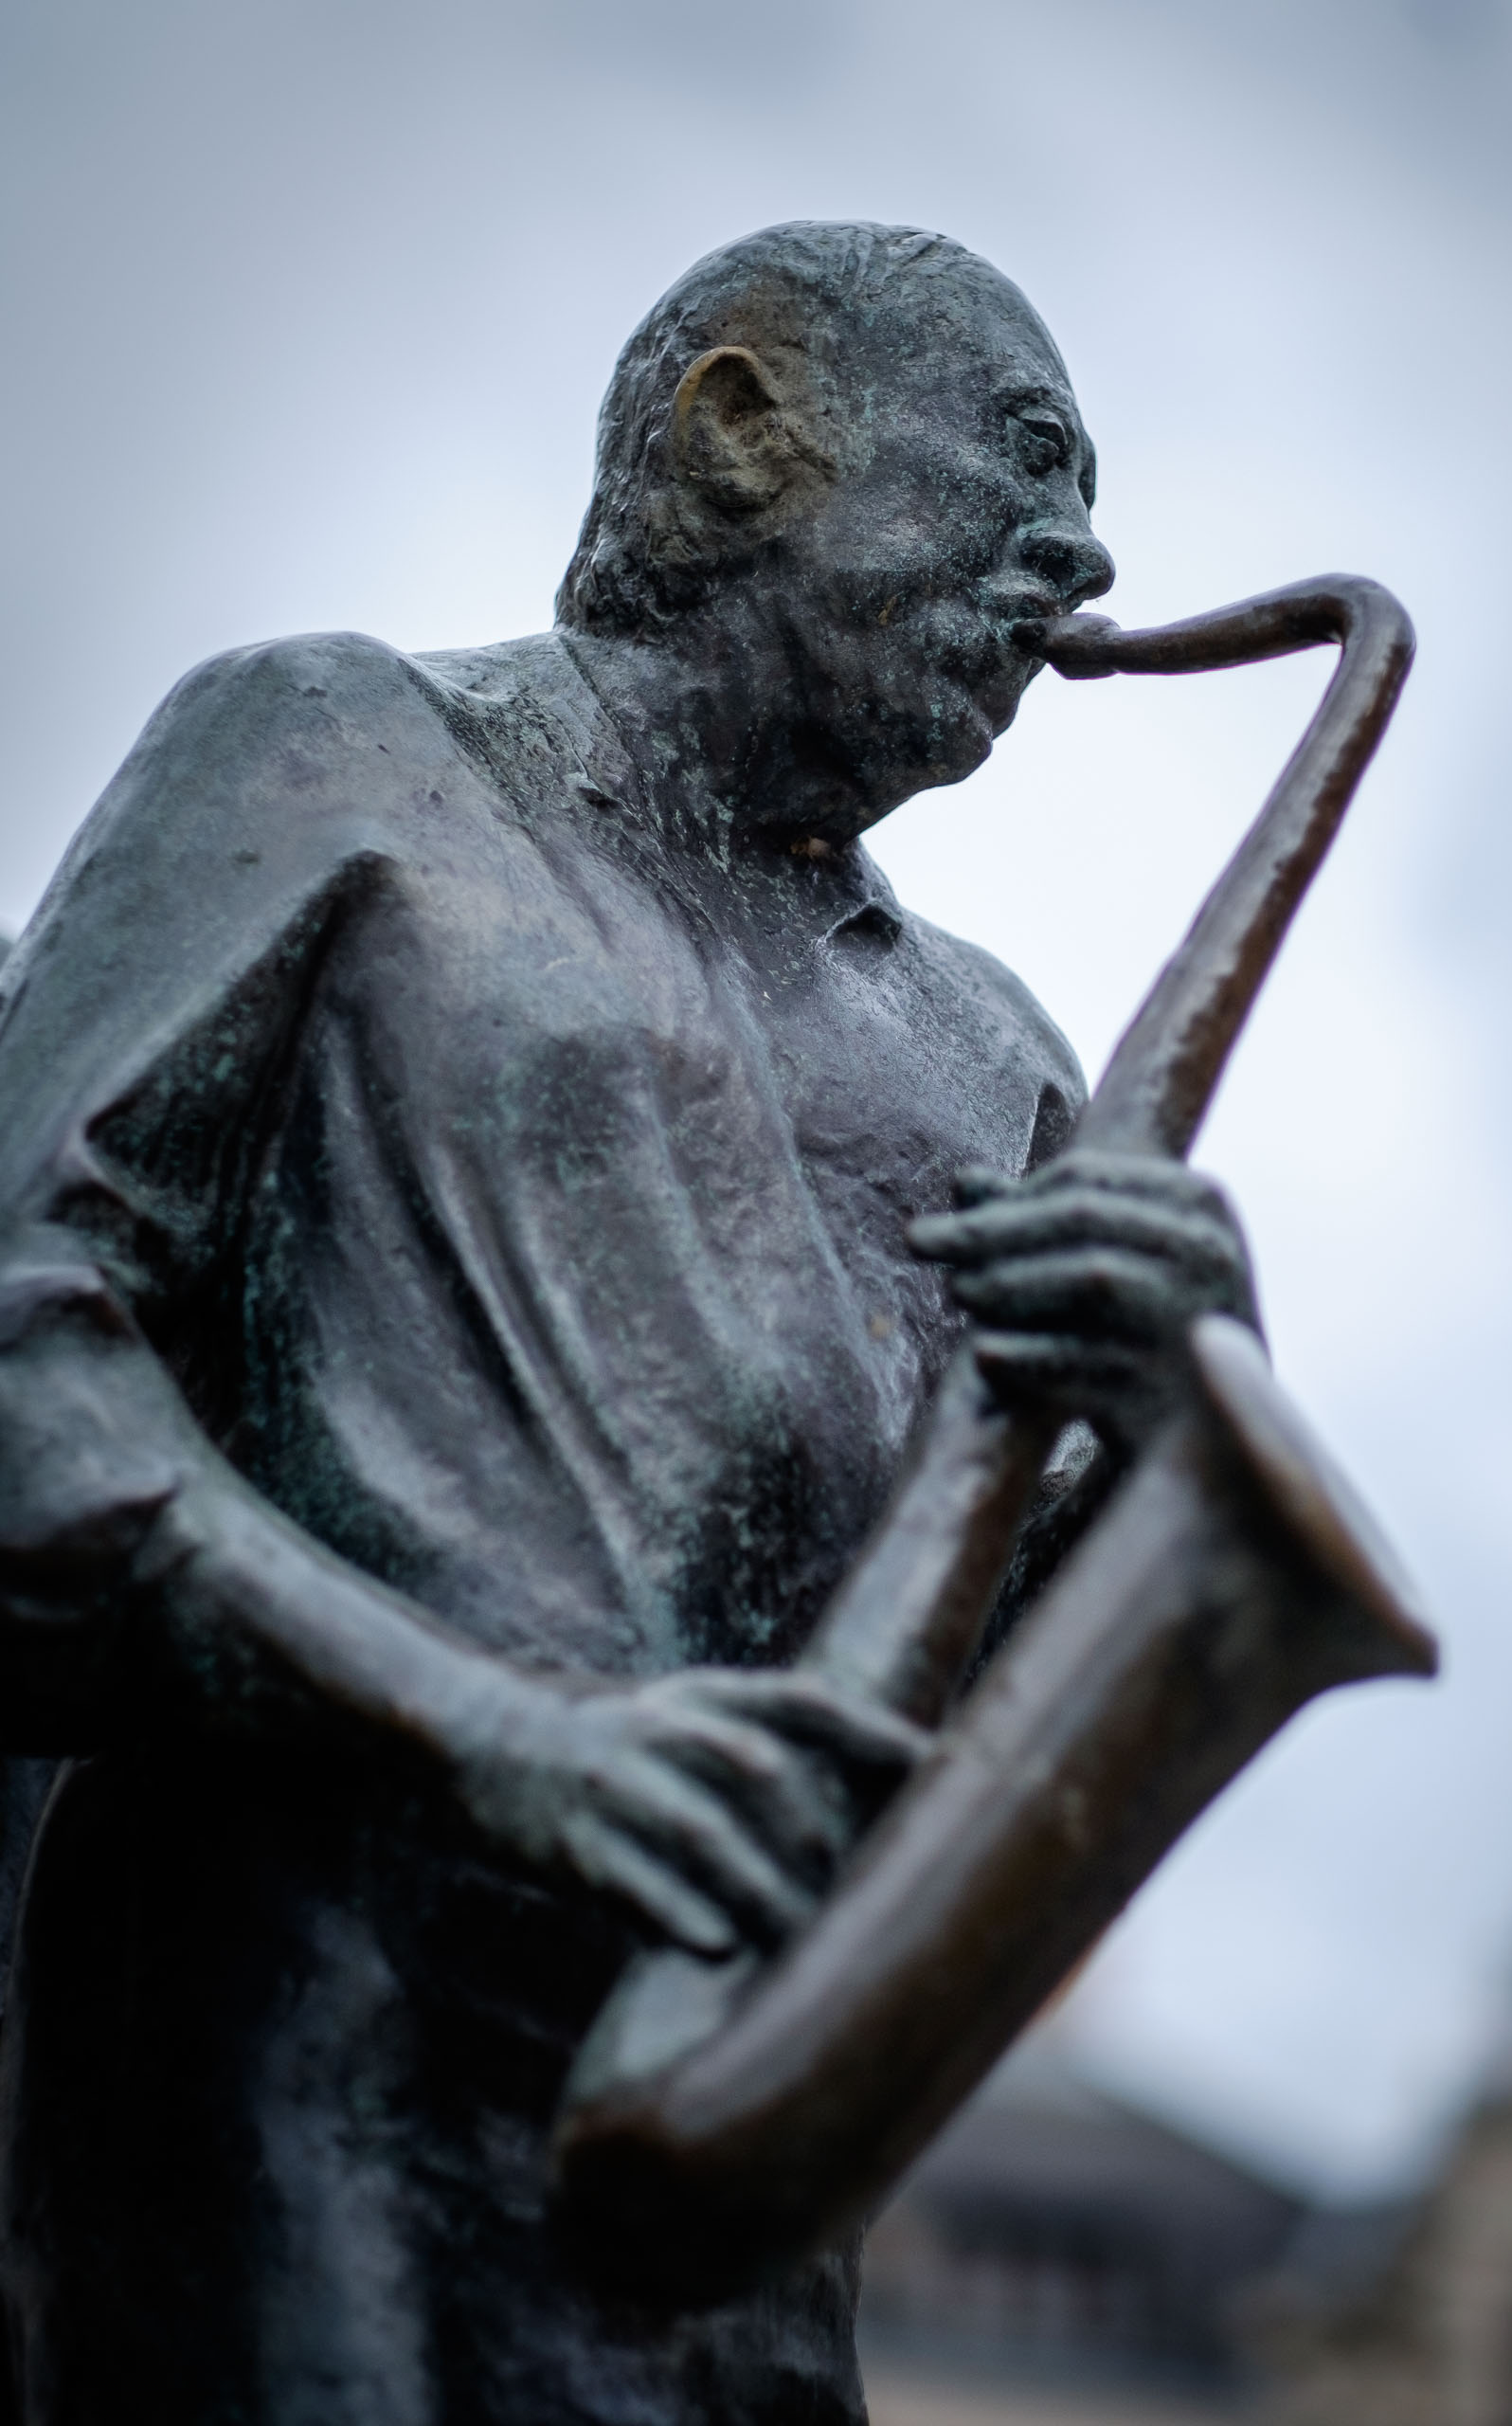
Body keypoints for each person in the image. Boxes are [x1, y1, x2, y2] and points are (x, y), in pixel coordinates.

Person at [0, 223, 1260, 2425]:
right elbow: (22, 1359)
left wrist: (1177, 1440)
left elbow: (1005, 1770)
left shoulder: (1004, 1060)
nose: (1086, 555)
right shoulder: (336, 750)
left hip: (733, 2200)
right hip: (296, 2095)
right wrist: (500, 1737)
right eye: (1027, 459)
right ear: (744, 426)